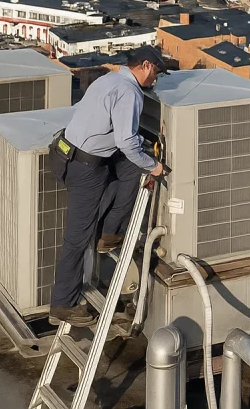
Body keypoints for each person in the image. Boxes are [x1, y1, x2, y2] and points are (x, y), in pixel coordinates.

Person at [47, 46, 167, 326]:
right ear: (146, 66)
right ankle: (63, 304)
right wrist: (154, 165)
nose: (155, 81)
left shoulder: (108, 79)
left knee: (129, 167)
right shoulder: (129, 92)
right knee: (77, 238)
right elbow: (127, 141)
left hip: (68, 153)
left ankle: (109, 233)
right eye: (157, 74)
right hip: (85, 168)